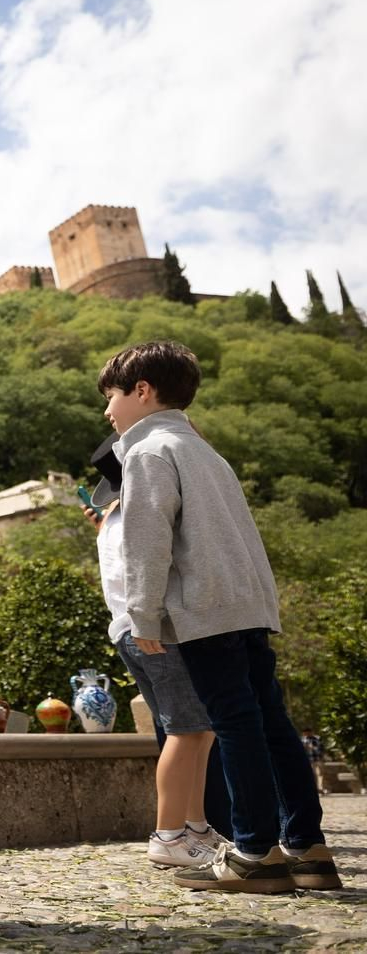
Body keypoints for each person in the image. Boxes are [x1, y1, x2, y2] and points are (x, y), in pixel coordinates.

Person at [99, 341, 338, 893]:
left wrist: (144, 617)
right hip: (247, 605)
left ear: (141, 390)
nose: (108, 411)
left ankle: (254, 853)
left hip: (203, 611)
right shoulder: (207, 451)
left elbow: (147, 541)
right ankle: (308, 849)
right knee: (273, 725)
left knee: (234, 726)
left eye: (111, 395)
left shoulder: (147, 450)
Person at [83, 444, 227, 870]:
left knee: (200, 730)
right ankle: (168, 835)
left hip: (134, 631)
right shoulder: (136, 516)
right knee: (186, 730)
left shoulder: (112, 519)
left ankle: (195, 827)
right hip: (152, 631)